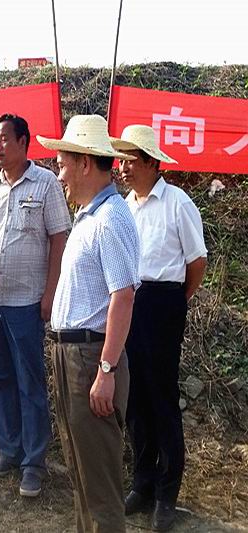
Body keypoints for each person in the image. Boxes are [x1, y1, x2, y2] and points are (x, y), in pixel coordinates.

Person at [36, 115, 141, 533]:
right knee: (81, 473)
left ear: (84, 163)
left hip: (91, 358)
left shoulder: (111, 218)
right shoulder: (88, 216)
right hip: (72, 356)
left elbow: (123, 296)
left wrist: (107, 370)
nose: (59, 175)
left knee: (99, 486)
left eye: (62, 165)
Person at [112, 125, 208, 531]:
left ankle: (167, 494)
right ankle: (143, 482)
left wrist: (175, 301)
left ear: (153, 163)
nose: (124, 168)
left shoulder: (177, 203)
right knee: (134, 399)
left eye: (132, 160)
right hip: (130, 303)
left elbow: (197, 262)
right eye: (121, 160)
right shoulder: (125, 207)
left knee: (162, 399)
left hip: (163, 304)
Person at [0, 114, 70, 497]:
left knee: (30, 381)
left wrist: (50, 293)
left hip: (26, 300)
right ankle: (9, 451)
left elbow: (59, 239)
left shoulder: (46, 184)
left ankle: (33, 463)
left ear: (23, 142)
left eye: (3, 139)